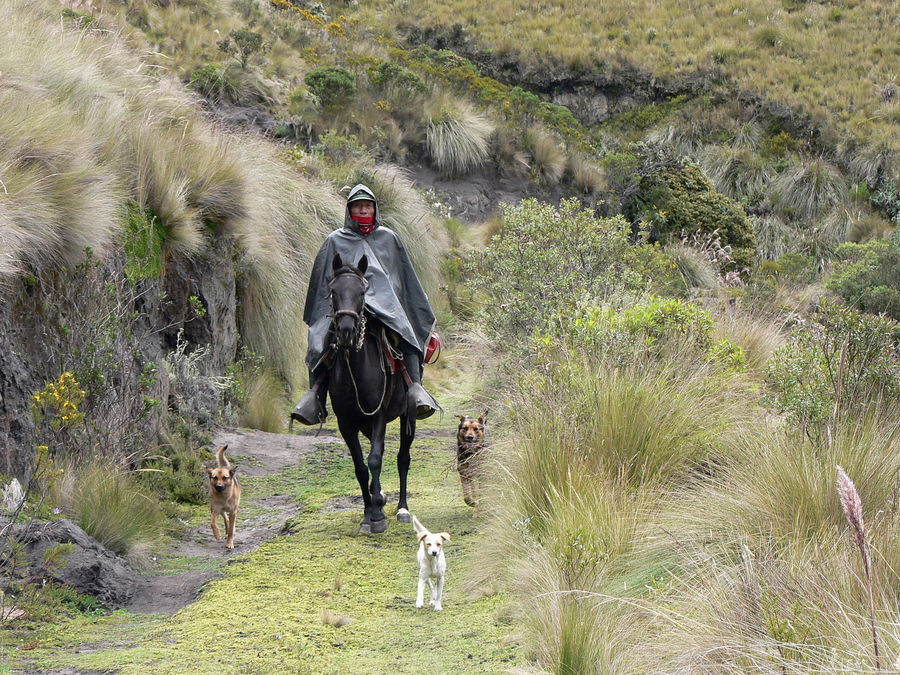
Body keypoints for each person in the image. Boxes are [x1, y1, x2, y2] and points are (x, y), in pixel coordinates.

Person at [291, 184, 439, 425]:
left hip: (387, 308)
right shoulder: (334, 240)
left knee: (407, 333)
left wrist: (386, 302)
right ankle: (315, 396)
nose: (362, 210)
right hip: (344, 308)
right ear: (349, 210)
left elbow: (402, 280)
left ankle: (416, 390)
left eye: (367, 206)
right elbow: (322, 282)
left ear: (374, 209)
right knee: (320, 340)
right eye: (357, 206)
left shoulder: (389, 238)